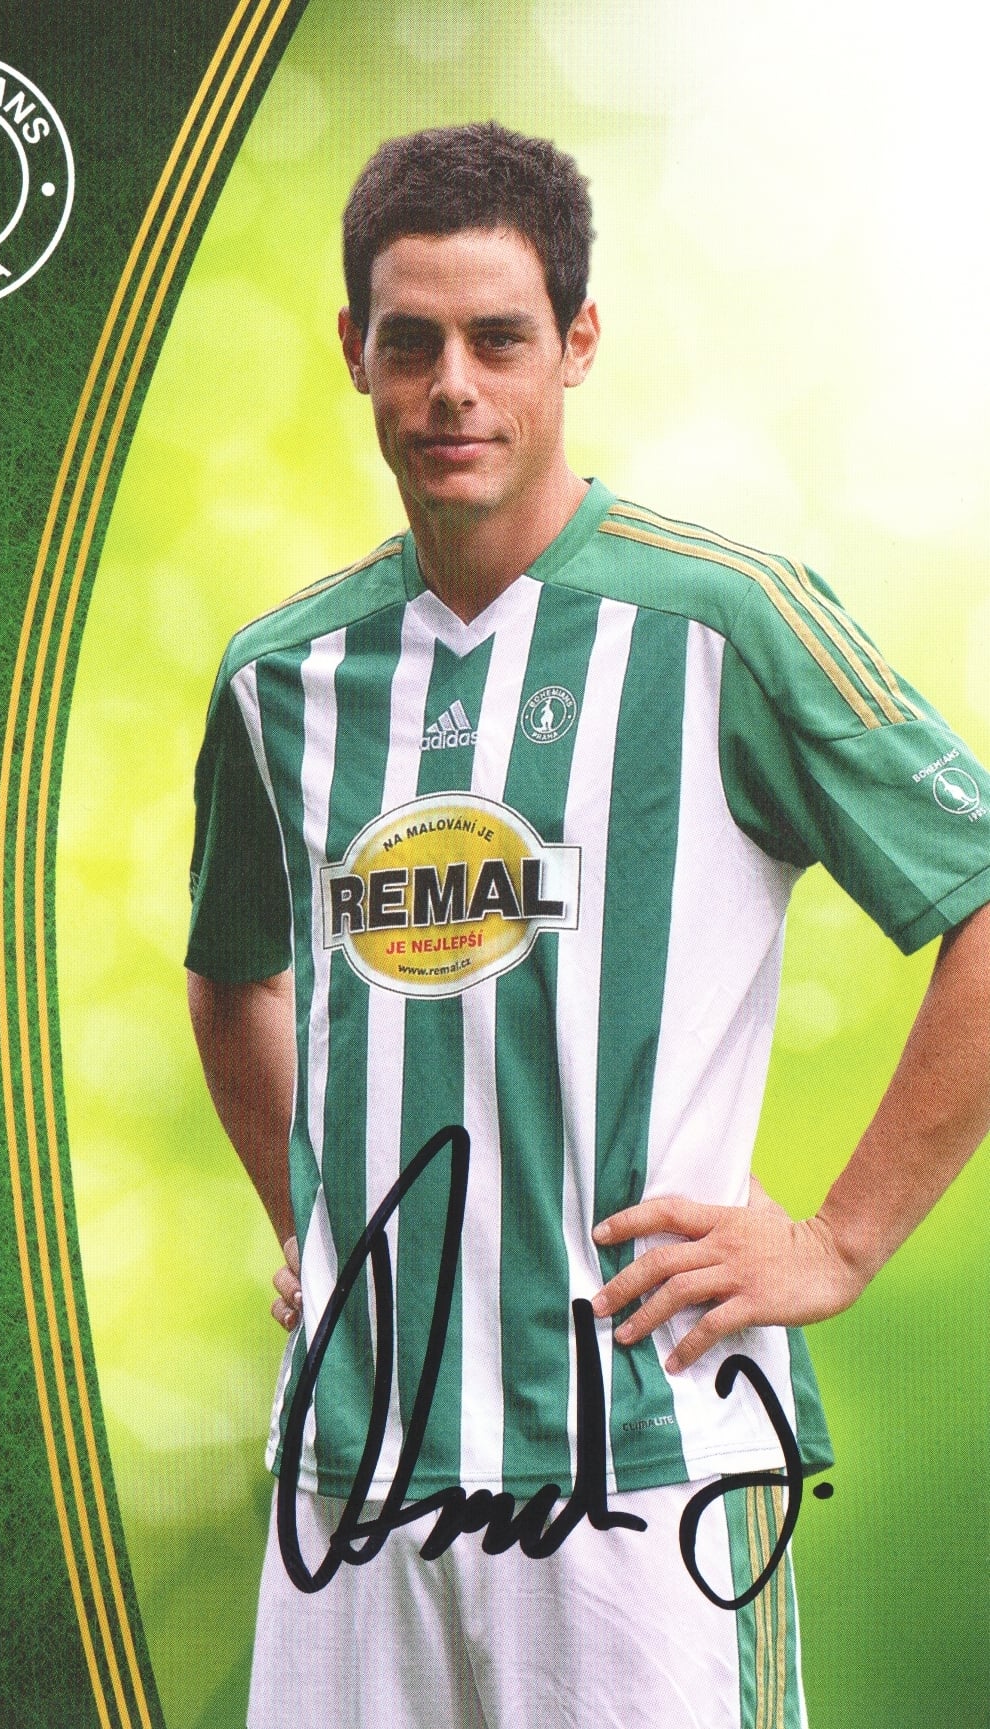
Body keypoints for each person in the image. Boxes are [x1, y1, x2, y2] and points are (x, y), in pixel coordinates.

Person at [185, 121, 990, 1729]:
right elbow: (231, 976)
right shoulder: (281, 677)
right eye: (409, 343)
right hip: (352, 1471)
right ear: (352, 351)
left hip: (645, 1463)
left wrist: (838, 1241)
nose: (451, 388)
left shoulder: (726, 622)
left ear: (577, 341)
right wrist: (322, 1224)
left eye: (497, 338)